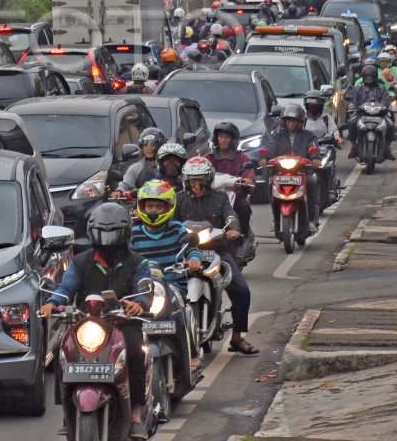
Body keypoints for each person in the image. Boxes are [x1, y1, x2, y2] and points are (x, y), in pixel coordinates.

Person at [39, 203, 156, 440]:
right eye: (102, 232)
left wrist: (139, 304)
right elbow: (66, 287)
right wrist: (53, 302)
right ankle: (67, 413)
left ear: (124, 233)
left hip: (123, 324)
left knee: (134, 351)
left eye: (112, 233)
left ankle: (135, 415)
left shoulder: (138, 263)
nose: (107, 240)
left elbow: (143, 290)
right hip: (87, 324)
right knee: (63, 350)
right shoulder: (80, 262)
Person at [177, 158, 257, 355]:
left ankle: (237, 337)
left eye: (201, 181)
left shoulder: (220, 198)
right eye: (192, 181)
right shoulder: (178, 200)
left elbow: (230, 216)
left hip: (218, 251)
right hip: (185, 253)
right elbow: (170, 221)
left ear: (209, 180)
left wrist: (234, 230)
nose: (196, 185)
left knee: (242, 290)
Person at [130, 180, 203, 374]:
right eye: (150, 205)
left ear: (168, 207)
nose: (153, 210)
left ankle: (192, 352)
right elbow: (126, 258)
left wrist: (193, 261)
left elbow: (192, 249)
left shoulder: (177, 229)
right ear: (142, 206)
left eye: (158, 206)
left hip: (172, 285)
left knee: (179, 315)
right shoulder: (134, 233)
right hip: (143, 287)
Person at [205, 122, 255, 239]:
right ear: (216, 139)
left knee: (244, 207)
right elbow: (200, 169)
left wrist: (247, 180)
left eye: (227, 137)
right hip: (212, 196)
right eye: (221, 137)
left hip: (235, 196)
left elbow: (249, 175)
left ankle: (243, 236)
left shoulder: (242, 157)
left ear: (233, 140)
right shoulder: (209, 157)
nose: (223, 140)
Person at [346, 63, 397, 160]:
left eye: (370, 76)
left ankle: (387, 149)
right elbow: (354, 100)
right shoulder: (358, 88)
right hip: (362, 114)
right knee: (352, 123)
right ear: (364, 77)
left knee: (390, 125)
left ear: (375, 77)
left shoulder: (381, 88)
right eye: (367, 76)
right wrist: (352, 105)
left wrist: (383, 107)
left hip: (380, 115)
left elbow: (386, 100)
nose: (369, 78)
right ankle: (353, 147)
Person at [115, 128, 165, 196]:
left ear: (159, 145)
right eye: (145, 144)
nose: (149, 148)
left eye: (152, 144)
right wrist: (119, 191)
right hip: (140, 205)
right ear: (141, 146)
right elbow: (125, 184)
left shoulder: (167, 166)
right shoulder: (135, 168)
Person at [376, 50, 397, 123]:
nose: (383, 63)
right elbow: (364, 78)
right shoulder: (375, 71)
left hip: (393, 91)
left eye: (385, 61)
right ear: (378, 62)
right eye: (382, 62)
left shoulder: (395, 69)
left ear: (389, 62)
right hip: (379, 92)